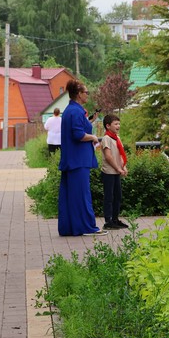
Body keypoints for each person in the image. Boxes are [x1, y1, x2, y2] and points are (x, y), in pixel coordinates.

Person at [57, 80, 103, 236]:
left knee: (71, 196)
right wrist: (93, 137)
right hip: (78, 160)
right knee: (82, 196)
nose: (87, 95)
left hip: (72, 159)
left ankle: (70, 227)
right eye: (86, 92)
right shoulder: (76, 112)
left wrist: (89, 122)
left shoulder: (71, 110)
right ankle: (86, 227)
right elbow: (78, 135)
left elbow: (76, 128)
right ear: (78, 94)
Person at [100, 114, 129, 230]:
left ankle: (115, 219)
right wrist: (117, 168)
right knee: (109, 197)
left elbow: (121, 154)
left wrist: (123, 167)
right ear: (108, 126)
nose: (118, 126)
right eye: (115, 124)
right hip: (109, 172)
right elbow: (108, 156)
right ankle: (108, 221)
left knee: (118, 196)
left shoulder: (117, 138)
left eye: (119, 124)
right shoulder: (106, 139)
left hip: (117, 172)